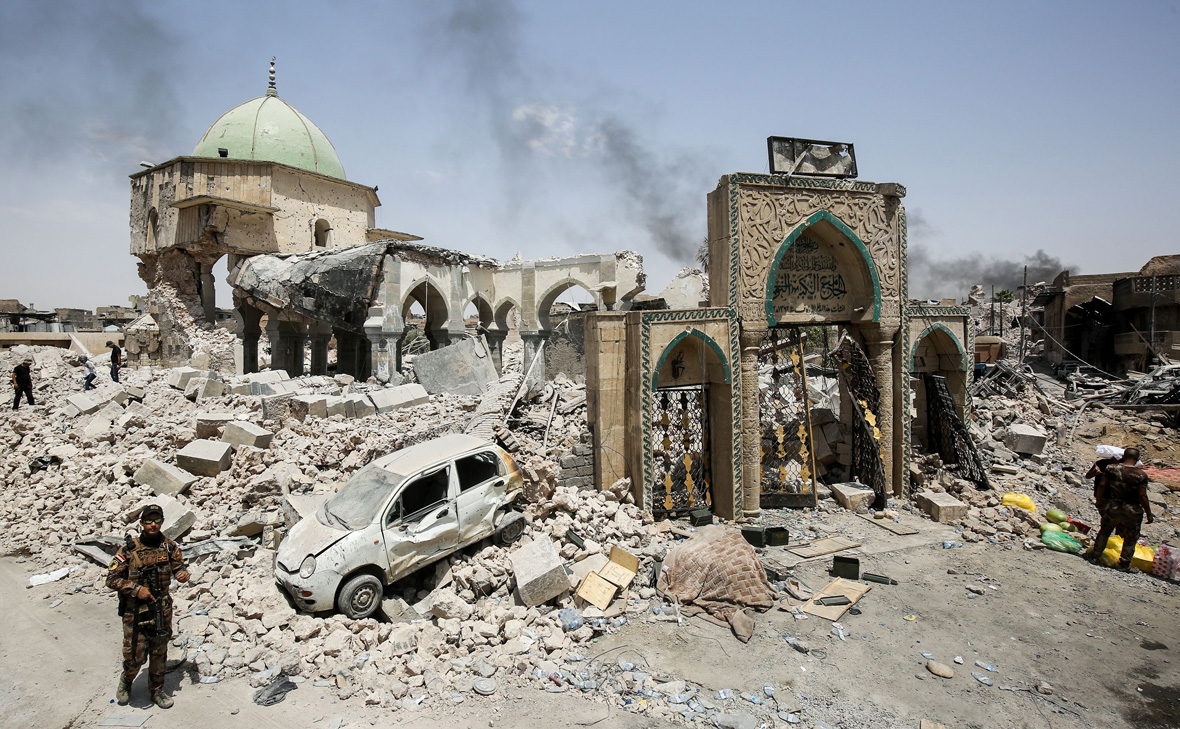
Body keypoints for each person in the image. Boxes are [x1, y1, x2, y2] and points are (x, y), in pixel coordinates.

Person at [106, 504, 190, 709]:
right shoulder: (128, 549)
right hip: (135, 610)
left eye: (157, 520)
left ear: (162, 522)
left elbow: (178, 566)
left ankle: (157, 691)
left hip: (161, 607)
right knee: (135, 653)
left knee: (159, 651)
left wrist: (182, 574)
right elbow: (112, 579)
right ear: (142, 523)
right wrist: (136, 589)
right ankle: (127, 680)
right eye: (149, 521)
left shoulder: (169, 547)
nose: (153, 525)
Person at [1084, 447, 1153, 571]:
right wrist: (1149, 513)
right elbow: (1143, 495)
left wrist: (1099, 500)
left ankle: (1095, 556)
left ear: (1123, 456)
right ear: (1137, 459)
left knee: (1105, 530)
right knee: (1131, 537)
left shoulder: (1111, 469)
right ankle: (1124, 564)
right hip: (1132, 509)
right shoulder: (1141, 475)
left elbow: (1102, 484)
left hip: (1114, 506)